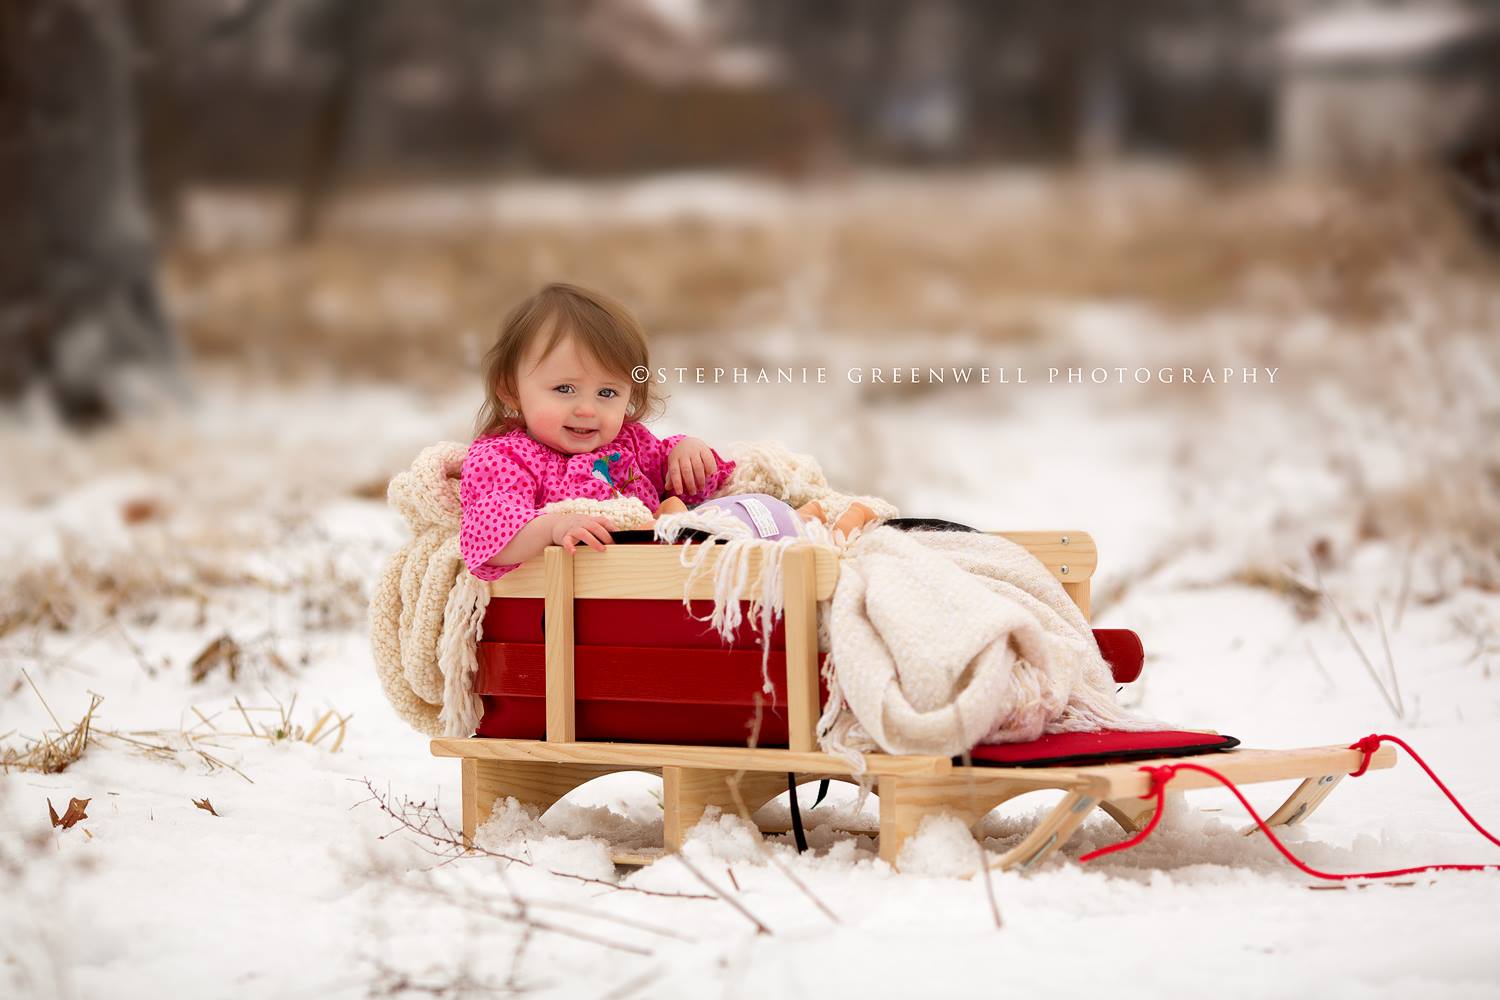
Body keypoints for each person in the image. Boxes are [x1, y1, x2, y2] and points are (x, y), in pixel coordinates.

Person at [459, 282, 736, 581]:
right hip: (570, 595)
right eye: (564, 389)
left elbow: (693, 486)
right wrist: (552, 528)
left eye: (607, 393)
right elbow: (489, 533)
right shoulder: (505, 458)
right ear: (511, 390)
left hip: (652, 581)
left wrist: (688, 453)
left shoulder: (630, 443)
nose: (587, 410)